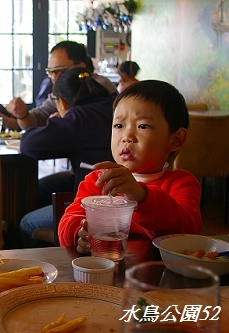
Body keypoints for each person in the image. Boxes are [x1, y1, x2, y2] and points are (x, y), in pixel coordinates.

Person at [58, 80, 202, 252]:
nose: (127, 136)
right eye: (119, 125)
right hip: (104, 273)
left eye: (143, 126)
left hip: (158, 275)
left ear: (175, 139)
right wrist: (79, 234)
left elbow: (188, 231)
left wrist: (142, 197)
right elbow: (68, 224)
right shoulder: (98, 181)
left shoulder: (181, 183)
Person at [19, 67, 115, 247]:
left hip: (96, 200)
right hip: (116, 188)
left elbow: (28, 145)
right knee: (42, 188)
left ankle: (53, 264)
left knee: (27, 222)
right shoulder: (111, 105)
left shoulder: (78, 117)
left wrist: (56, 122)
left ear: (61, 102)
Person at [6, 41, 117, 131]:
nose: (54, 77)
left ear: (80, 67)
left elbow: (88, 128)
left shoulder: (100, 88)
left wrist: (60, 122)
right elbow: (37, 118)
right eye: (50, 72)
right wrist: (22, 114)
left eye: (59, 71)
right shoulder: (60, 92)